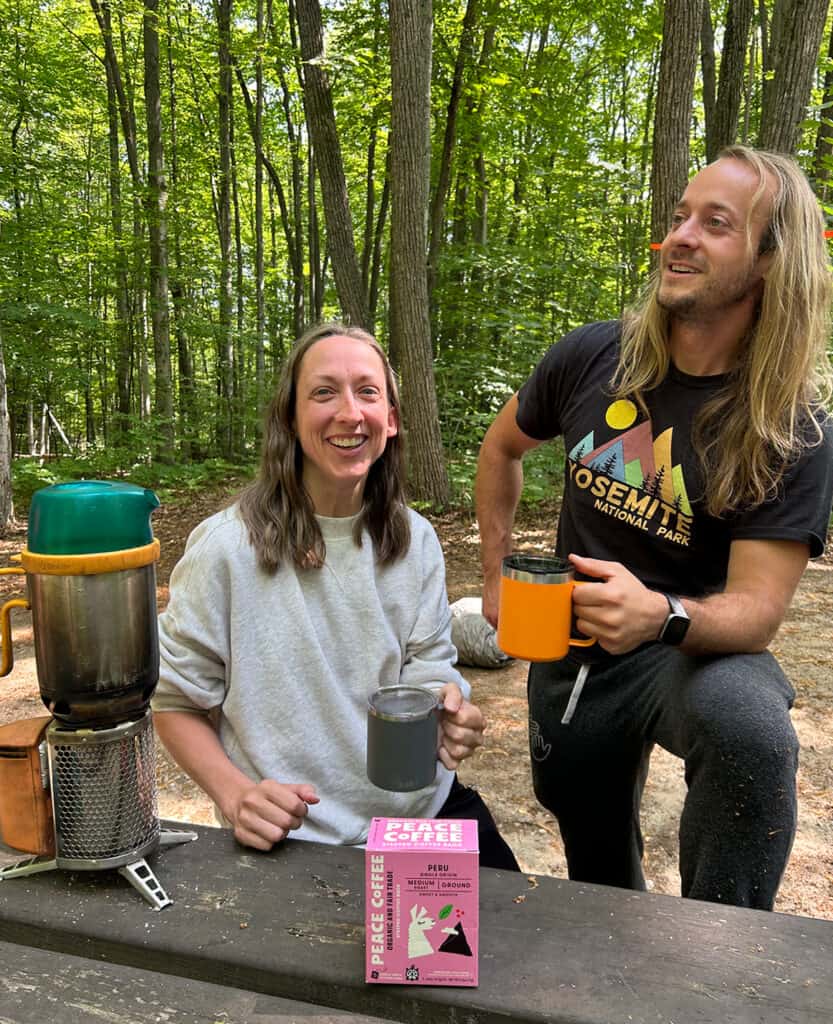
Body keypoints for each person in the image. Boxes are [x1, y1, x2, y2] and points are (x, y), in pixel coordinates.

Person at [475, 146, 833, 908]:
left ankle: (719, 957)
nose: (680, 236)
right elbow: (501, 446)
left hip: (685, 652)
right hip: (570, 650)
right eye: (678, 217)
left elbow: (756, 610)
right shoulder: (591, 354)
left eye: (715, 223)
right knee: (594, 857)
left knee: (749, 735)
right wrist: (495, 578)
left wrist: (660, 615)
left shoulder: (788, 426)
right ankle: (616, 948)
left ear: (771, 260)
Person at [153, 322, 519, 871]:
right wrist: (235, 795)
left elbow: (427, 669)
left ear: (390, 420)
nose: (350, 413)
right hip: (296, 833)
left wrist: (448, 708)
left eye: (367, 392)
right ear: (290, 419)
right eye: (324, 392)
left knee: (522, 940)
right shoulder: (225, 549)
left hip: (424, 815)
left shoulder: (414, 538)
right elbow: (175, 700)